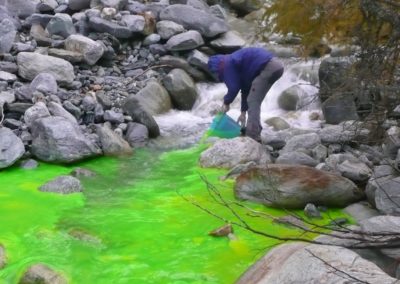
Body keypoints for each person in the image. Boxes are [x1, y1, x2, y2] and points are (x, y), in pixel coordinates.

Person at [207, 47, 284, 142]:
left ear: (216, 67)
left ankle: (253, 135)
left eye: (215, 72)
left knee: (254, 101)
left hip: (269, 67)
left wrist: (226, 103)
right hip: (276, 66)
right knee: (253, 99)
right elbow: (246, 90)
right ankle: (254, 131)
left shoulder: (227, 65)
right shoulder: (236, 65)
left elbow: (234, 88)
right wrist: (243, 112)